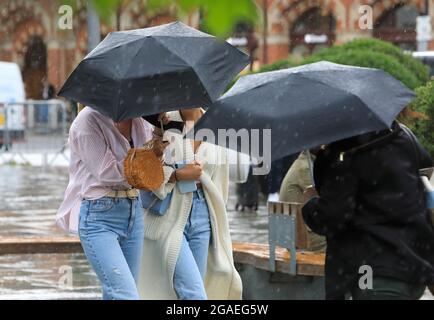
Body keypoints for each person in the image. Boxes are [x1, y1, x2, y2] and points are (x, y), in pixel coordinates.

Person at [302, 121, 434, 300]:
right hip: (413, 267)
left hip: (374, 272)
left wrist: (311, 205)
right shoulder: (401, 137)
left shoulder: (344, 154)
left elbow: (332, 216)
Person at [56, 106, 163, 300]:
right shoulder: (87, 120)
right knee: (126, 294)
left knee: (117, 292)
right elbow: (107, 173)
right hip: (99, 215)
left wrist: (158, 138)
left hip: (133, 211)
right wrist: (147, 158)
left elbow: (151, 172)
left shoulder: (139, 119)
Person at [139, 108, 243, 300]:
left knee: (194, 289)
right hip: (170, 214)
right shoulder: (165, 121)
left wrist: (218, 224)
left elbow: (221, 182)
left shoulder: (216, 124)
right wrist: (177, 174)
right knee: (194, 293)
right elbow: (144, 173)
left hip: (203, 215)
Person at [279, 151, 326, 251]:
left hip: (292, 236)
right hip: (304, 238)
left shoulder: (302, 163)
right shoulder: (305, 168)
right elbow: (323, 200)